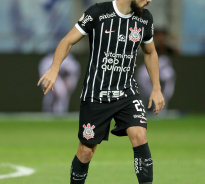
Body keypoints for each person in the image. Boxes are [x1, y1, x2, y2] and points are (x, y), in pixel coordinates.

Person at [37, 0, 165, 183]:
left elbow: (150, 52)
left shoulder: (145, 19)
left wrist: (157, 88)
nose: (149, 0)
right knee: (86, 151)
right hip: (96, 95)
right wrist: (54, 68)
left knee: (139, 135)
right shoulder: (98, 12)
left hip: (127, 92)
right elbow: (68, 41)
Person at [137, 29, 176, 115]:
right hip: (148, 72)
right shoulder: (151, 44)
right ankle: (147, 108)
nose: (160, 38)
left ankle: (161, 108)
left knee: (168, 74)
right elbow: (148, 52)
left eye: (162, 36)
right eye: (158, 36)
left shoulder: (167, 48)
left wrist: (172, 41)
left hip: (161, 69)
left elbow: (176, 52)